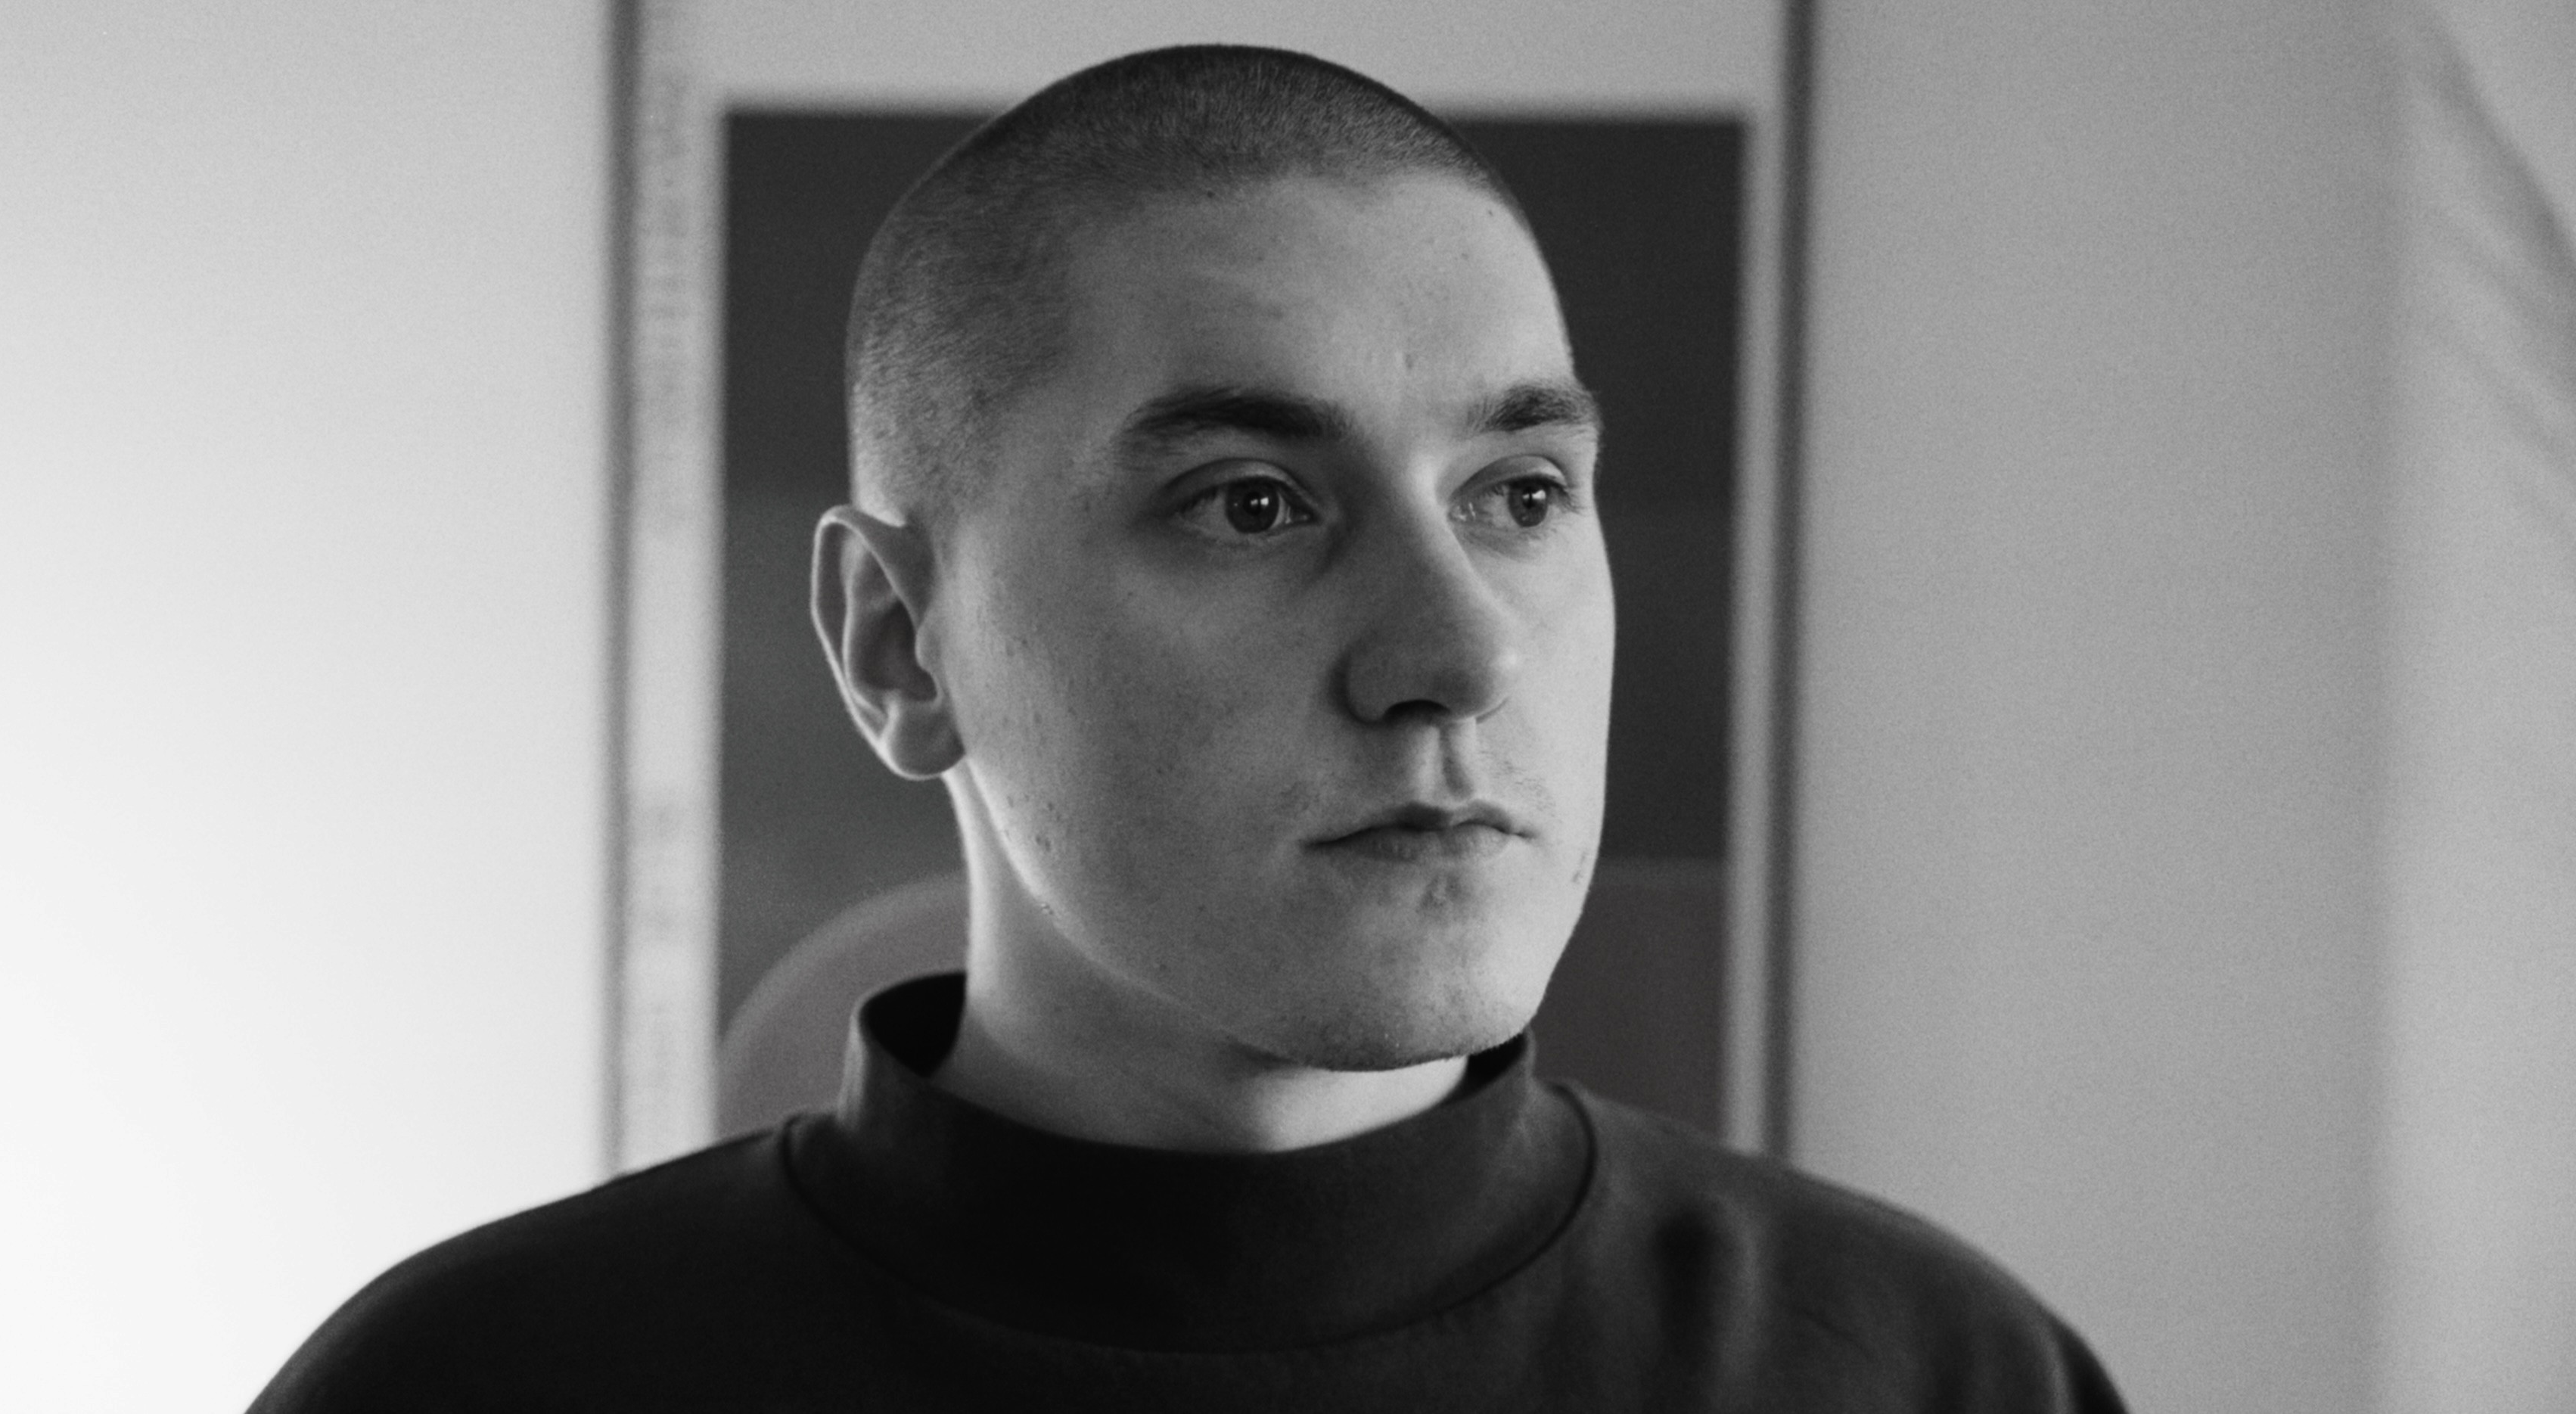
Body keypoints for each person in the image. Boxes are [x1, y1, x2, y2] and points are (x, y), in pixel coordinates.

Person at [251, 45, 2127, 1412]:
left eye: (1522, 494)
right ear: (900, 644)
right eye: (1252, 501)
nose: (1461, 654)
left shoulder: (1932, 1375)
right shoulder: (475, 1385)